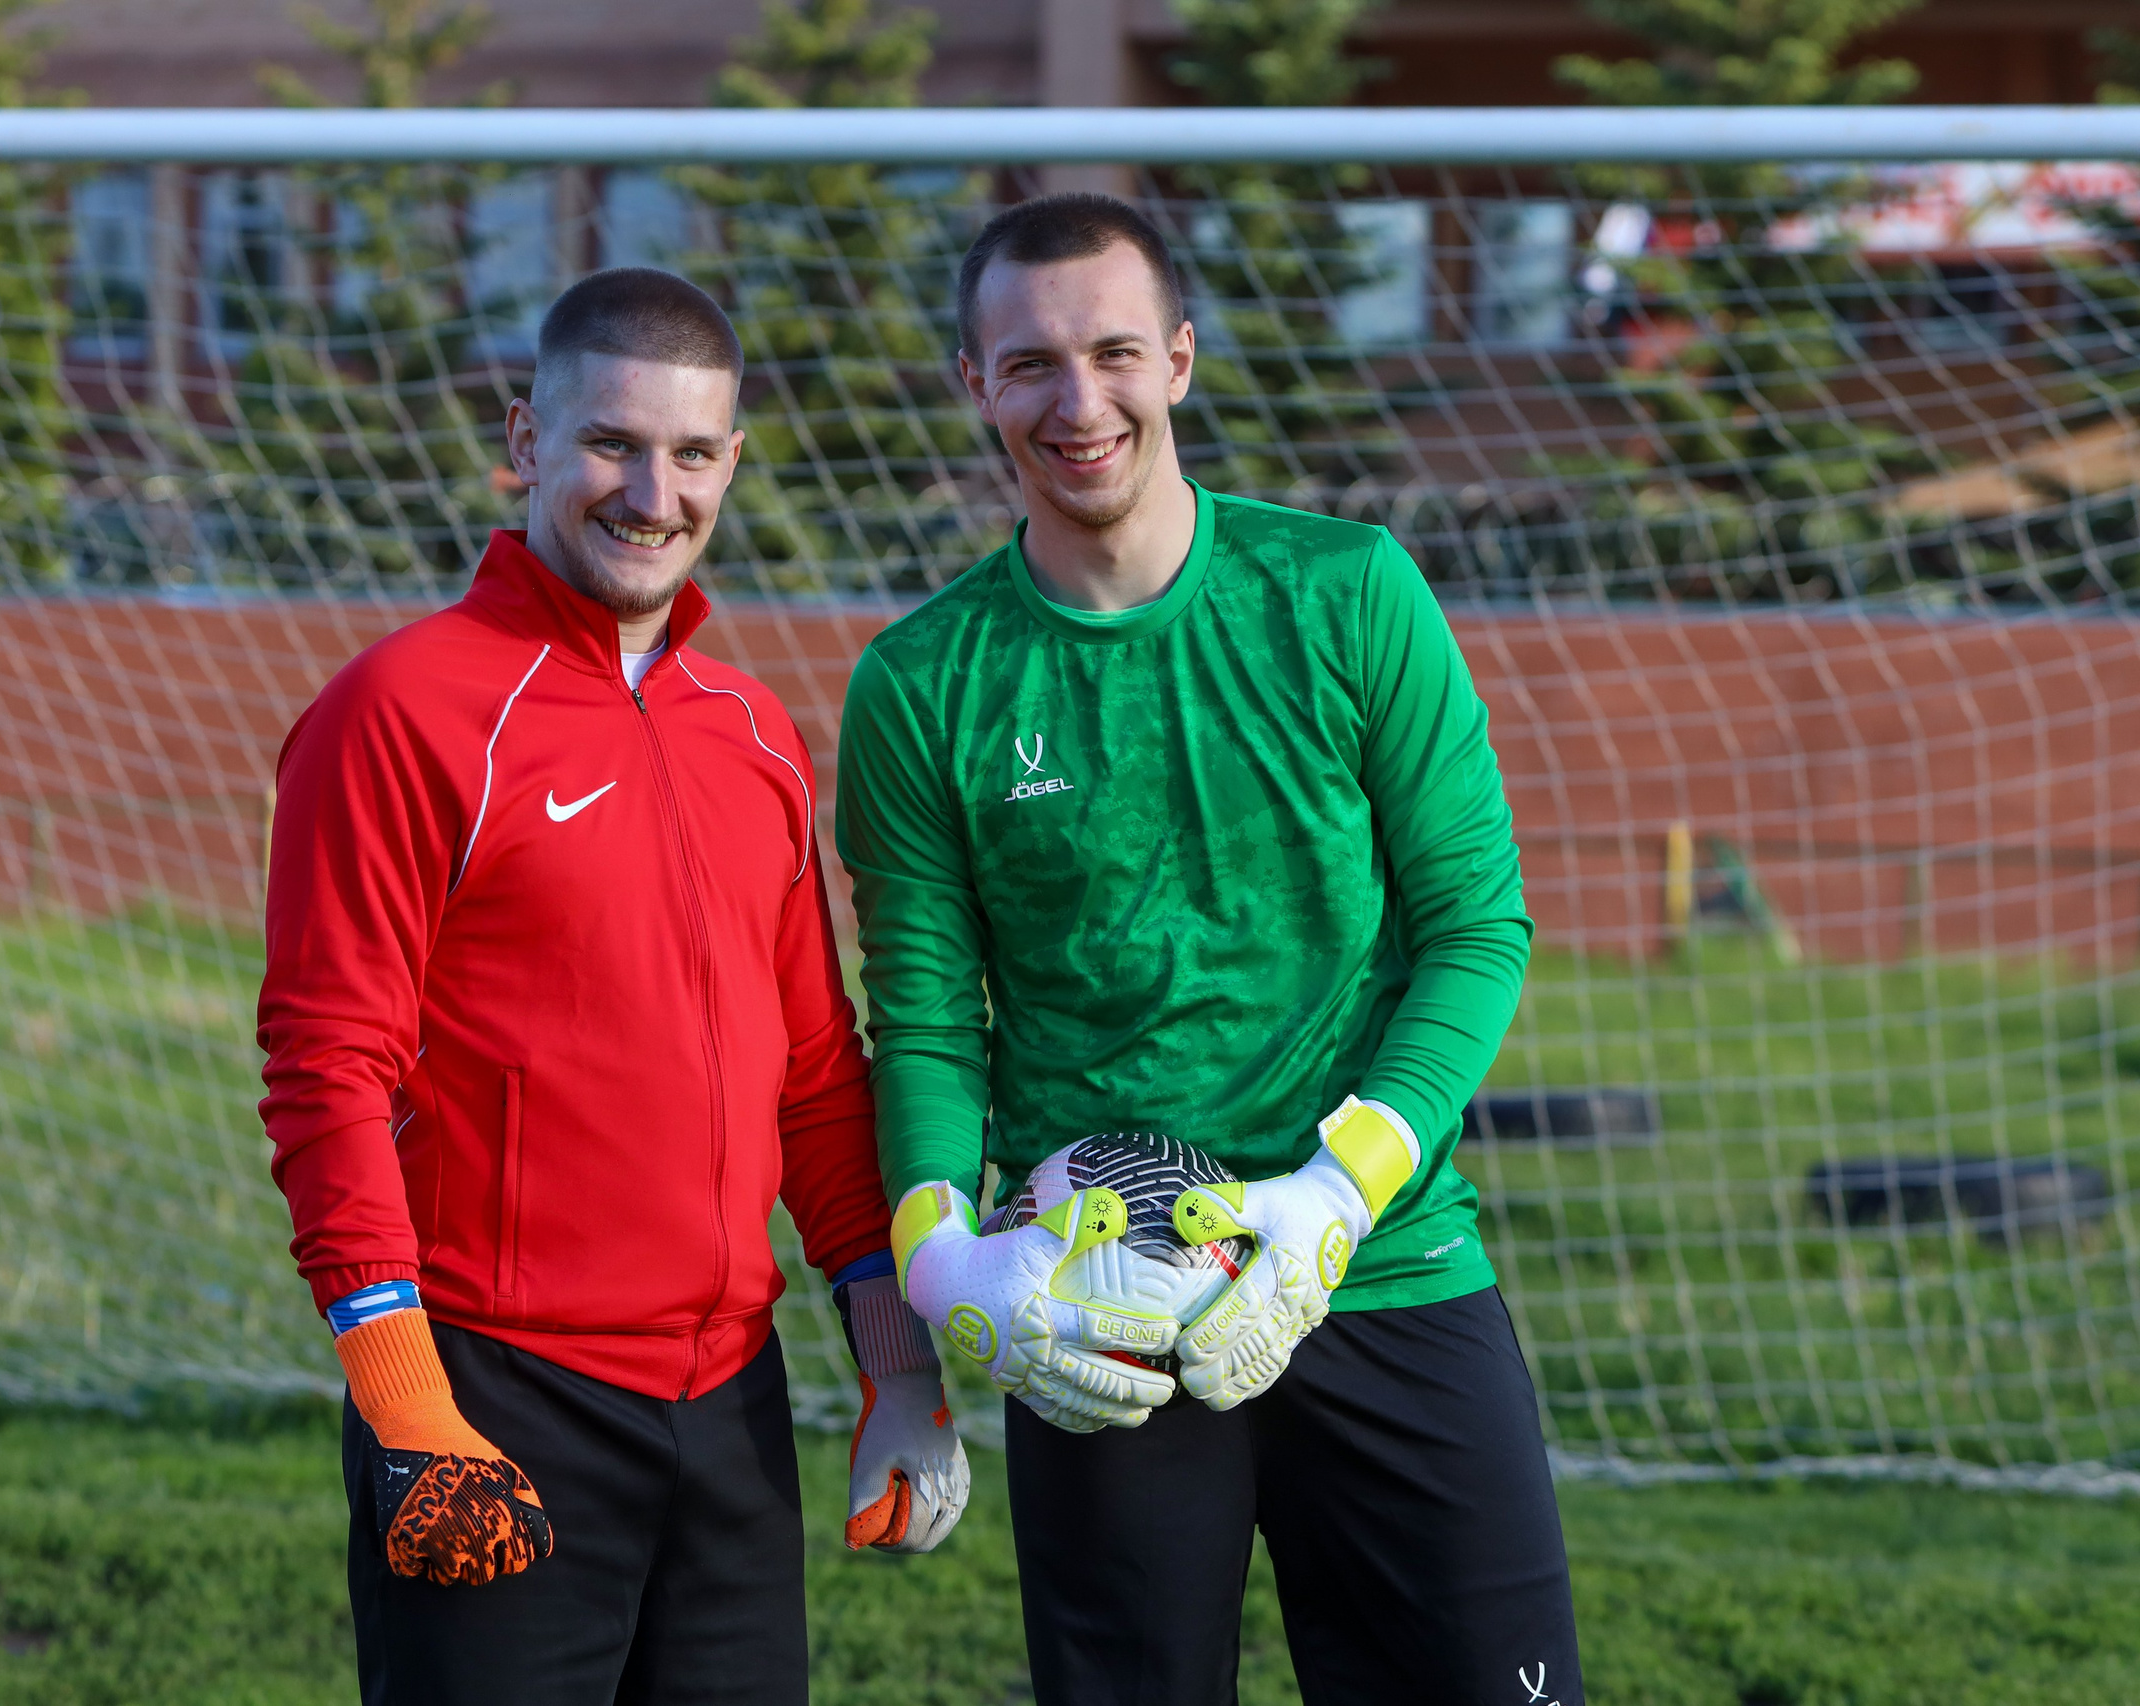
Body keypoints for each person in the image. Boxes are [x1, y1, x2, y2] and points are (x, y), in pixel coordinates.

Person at [837, 195, 1583, 1705]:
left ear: (1178, 358)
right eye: (1030, 362)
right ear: (974, 383)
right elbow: (923, 1019)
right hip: (1103, 1302)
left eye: (1115, 351)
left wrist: (1334, 1190)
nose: (1079, 399)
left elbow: (1474, 927)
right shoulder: (920, 684)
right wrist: (941, 1256)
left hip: (1378, 1264)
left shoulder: (1346, 592)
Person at [258, 266, 968, 1706]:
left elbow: (819, 1075)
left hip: (730, 1410)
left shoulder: (753, 731)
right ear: (526, 441)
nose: (654, 492)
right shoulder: (399, 711)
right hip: (496, 1398)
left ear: (732, 465)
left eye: (693, 454)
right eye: (611, 445)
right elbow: (329, 1065)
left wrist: (900, 1369)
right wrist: (409, 1404)